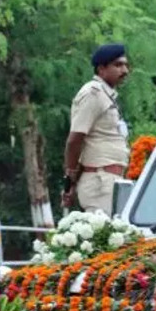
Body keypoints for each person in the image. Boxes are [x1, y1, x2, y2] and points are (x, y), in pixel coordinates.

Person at [63, 43, 132, 214]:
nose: (125, 71)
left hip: (111, 179)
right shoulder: (92, 93)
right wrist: (69, 182)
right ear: (101, 69)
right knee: (106, 237)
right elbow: (75, 140)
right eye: (118, 65)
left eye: (125, 65)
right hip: (100, 181)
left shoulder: (105, 94)